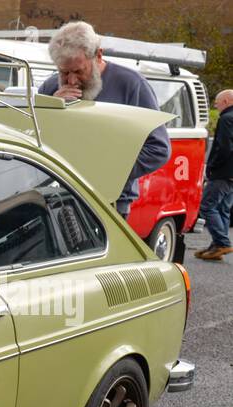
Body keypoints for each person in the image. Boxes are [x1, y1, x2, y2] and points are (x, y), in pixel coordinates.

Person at [37, 20, 170, 218]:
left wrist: (106, 171)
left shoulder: (131, 85)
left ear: (98, 55)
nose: (71, 80)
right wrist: (49, 109)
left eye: (79, 71)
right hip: (57, 198)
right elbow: (33, 140)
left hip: (111, 202)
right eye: (64, 72)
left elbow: (158, 149)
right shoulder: (50, 88)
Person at [195, 89, 233, 260]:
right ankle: (217, 246)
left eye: (217, 102)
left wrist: (211, 166)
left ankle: (222, 242)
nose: (215, 105)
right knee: (223, 208)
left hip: (223, 172)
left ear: (226, 101)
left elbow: (224, 147)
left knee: (207, 206)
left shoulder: (226, 119)